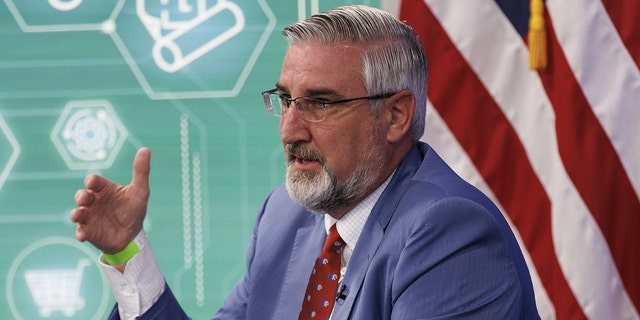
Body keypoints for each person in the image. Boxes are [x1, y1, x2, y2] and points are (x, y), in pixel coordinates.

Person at [71, 5, 540, 319]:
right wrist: (127, 251)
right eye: (285, 100)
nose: (290, 130)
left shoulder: (449, 231)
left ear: (396, 115)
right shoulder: (284, 216)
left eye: (320, 103)